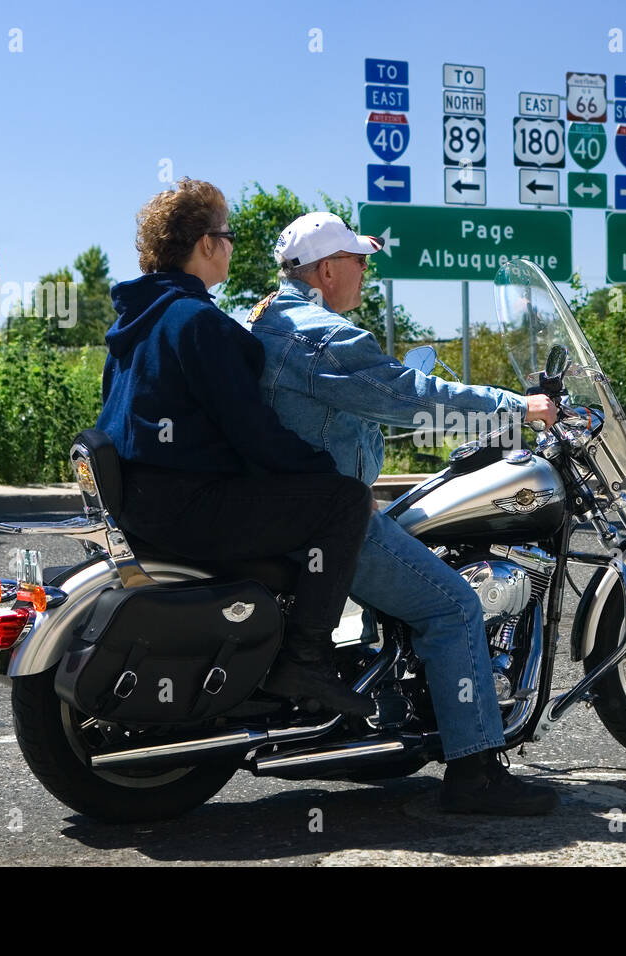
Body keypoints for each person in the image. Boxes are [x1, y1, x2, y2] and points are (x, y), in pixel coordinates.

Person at [247, 211, 561, 815]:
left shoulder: (264, 318)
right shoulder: (322, 337)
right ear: (327, 269)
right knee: (453, 607)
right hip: (327, 519)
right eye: (360, 262)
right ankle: (476, 773)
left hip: (285, 508)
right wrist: (518, 407)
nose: (367, 272)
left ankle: (397, 713)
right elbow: (411, 397)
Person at [96, 180, 374, 718]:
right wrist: (322, 472)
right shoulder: (197, 322)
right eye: (227, 235)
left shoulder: (135, 321)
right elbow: (254, 434)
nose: (231, 246)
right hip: (189, 509)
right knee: (343, 502)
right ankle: (305, 658)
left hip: (139, 505)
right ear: (205, 244)